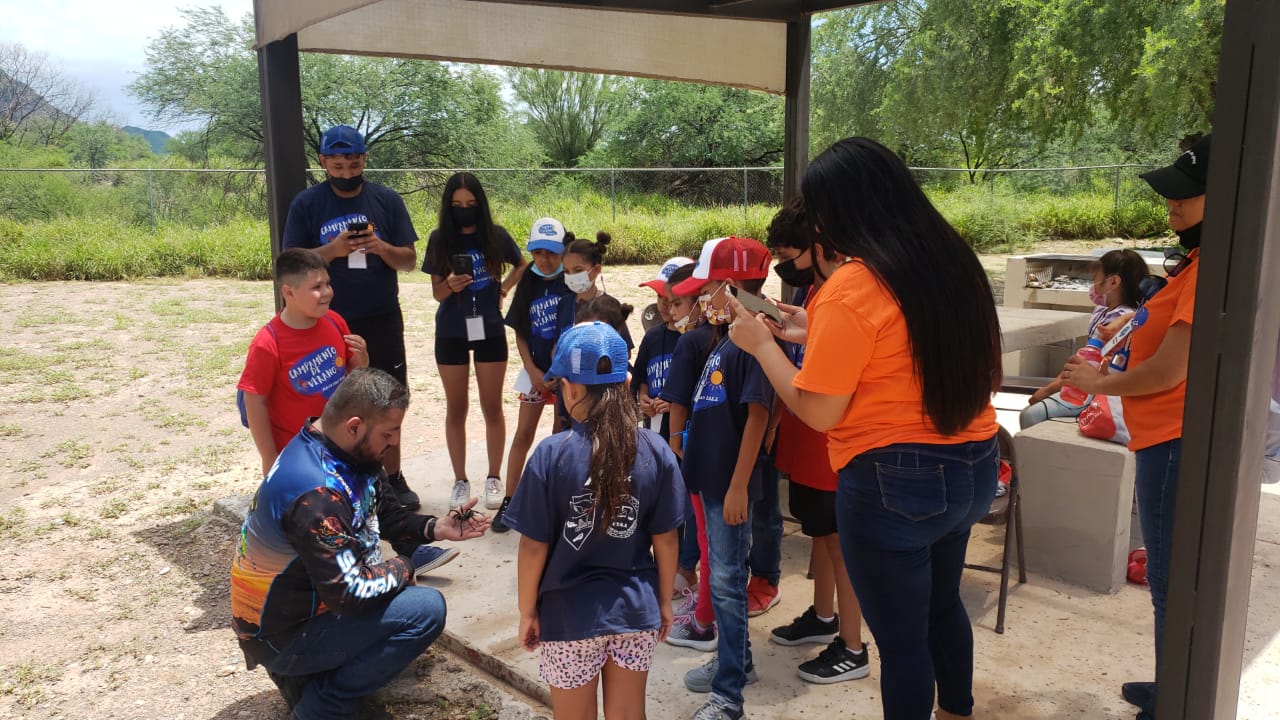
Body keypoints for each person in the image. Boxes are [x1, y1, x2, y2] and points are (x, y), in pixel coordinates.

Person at [729, 137, 1003, 720]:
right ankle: (957, 710)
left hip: (893, 481)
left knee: (902, 645)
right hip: (974, 462)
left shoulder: (853, 284)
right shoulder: (950, 259)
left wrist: (760, 345)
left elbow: (819, 410)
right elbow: (903, 347)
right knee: (942, 607)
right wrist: (810, 330)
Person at [230, 367, 490, 720]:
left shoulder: (349, 454)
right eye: (389, 432)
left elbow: (388, 517)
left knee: (398, 589)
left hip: (308, 610)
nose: (395, 441)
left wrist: (437, 527)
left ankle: (312, 677)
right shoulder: (317, 492)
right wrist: (406, 566)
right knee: (425, 609)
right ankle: (324, 703)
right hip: (283, 637)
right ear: (354, 425)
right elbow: (350, 593)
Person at [1060, 133, 1211, 720]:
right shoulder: (1194, 262)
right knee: (1169, 576)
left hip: (1171, 441)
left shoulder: (1206, 270)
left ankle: (1174, 697)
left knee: (1170, 577)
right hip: (1158, 439)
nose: (1173, 205)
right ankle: (1169, 679)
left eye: (1188, 195)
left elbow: (1171, 370)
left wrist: (1098, 383)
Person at [504, 321, 685, 720]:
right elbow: (667, 539)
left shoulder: (551, 455)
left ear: (569, 387)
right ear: (626, 383)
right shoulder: (655, 450)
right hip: (636, 613)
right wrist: (665, 601)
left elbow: (533, 545)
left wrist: (527, 610)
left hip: (569, 618)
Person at [282, 125, 421, 511]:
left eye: (354, 164)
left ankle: (392, 481)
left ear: (364, 160)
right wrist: (334, 249)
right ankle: (338, 480)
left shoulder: (386, 199)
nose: (346, 173)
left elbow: (409, 260)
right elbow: (292, 262)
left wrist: (381, 247)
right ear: (324, 163)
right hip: (329, 321)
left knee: (390, 397)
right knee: (338, 403)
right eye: (338, 165)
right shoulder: (307, 204)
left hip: (381, 315)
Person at [762, 199, 869, 685]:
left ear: (819, 247)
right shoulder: (817, 293)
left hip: (832, 434)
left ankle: (852, 644)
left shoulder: (848, 292)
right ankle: (823, 616)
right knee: (820, 536)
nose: (787, 263)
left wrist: (769, 345)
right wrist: (797, 329)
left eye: (791, 252)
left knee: (840, 543)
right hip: (810, 436)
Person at [669, 236, 775, 720]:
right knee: (727, 579)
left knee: (730, 582)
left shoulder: (753, 338)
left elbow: (757, 416)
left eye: (708, 288)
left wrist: (737, 486)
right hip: (711, 477)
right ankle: (738, 662)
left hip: (728, 484)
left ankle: (728, 694)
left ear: (730, 286)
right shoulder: (728, 335)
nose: (701, 298)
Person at [422, 172, 527, 511]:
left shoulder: (494, 236)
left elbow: (522, 264)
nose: (464, 210)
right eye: (457, 205)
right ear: (448, 207)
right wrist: (451, 284)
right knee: (457, 408)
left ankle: (494, 476)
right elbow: (437, 293)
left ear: (479, 205)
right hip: (451, 330)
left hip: (489, 329)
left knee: (492, 406)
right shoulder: (440, 239)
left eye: (469, 204)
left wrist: (504, 288)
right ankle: (460, 480)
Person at [237, 248, 369, 478]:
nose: (327, 292)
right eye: (316, 287)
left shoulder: (335, 321)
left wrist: (363, 363)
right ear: (289, 292)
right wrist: (269, 456)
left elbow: (351, 378)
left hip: (339, 446)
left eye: (328, 283)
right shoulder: (268, 344)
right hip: (296, 454)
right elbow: (254, 402)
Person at [490, 218, 574, 533]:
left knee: (559, 437)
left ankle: (554, 501)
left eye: (551, 252)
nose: (545, 259)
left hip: (565, 376)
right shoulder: (528, 280)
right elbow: (522, 333)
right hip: (535, 373)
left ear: (563, 250)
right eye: (538, 252)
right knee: (523, 434)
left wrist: (557, 370)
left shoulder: (571, 279)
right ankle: (510, 501)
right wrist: (532, 369)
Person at [1020, 249, 1148, 429]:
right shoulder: (1106, 312)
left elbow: (1087, 363)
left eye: (1096, 278)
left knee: (1030, 415)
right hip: (1089, 386)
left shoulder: (1117, 323)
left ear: (1113, 282)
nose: (1093, 285)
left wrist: (1048, 390)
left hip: (1092, 392)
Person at [633, 257, 695, 439]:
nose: (664, 304)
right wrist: (643, 396)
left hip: (683, 429)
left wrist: (676, 403)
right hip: (654, 426)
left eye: (672, 299)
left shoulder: (695, 339)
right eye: (659, 296)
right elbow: (641, 375)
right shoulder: (652, 336)